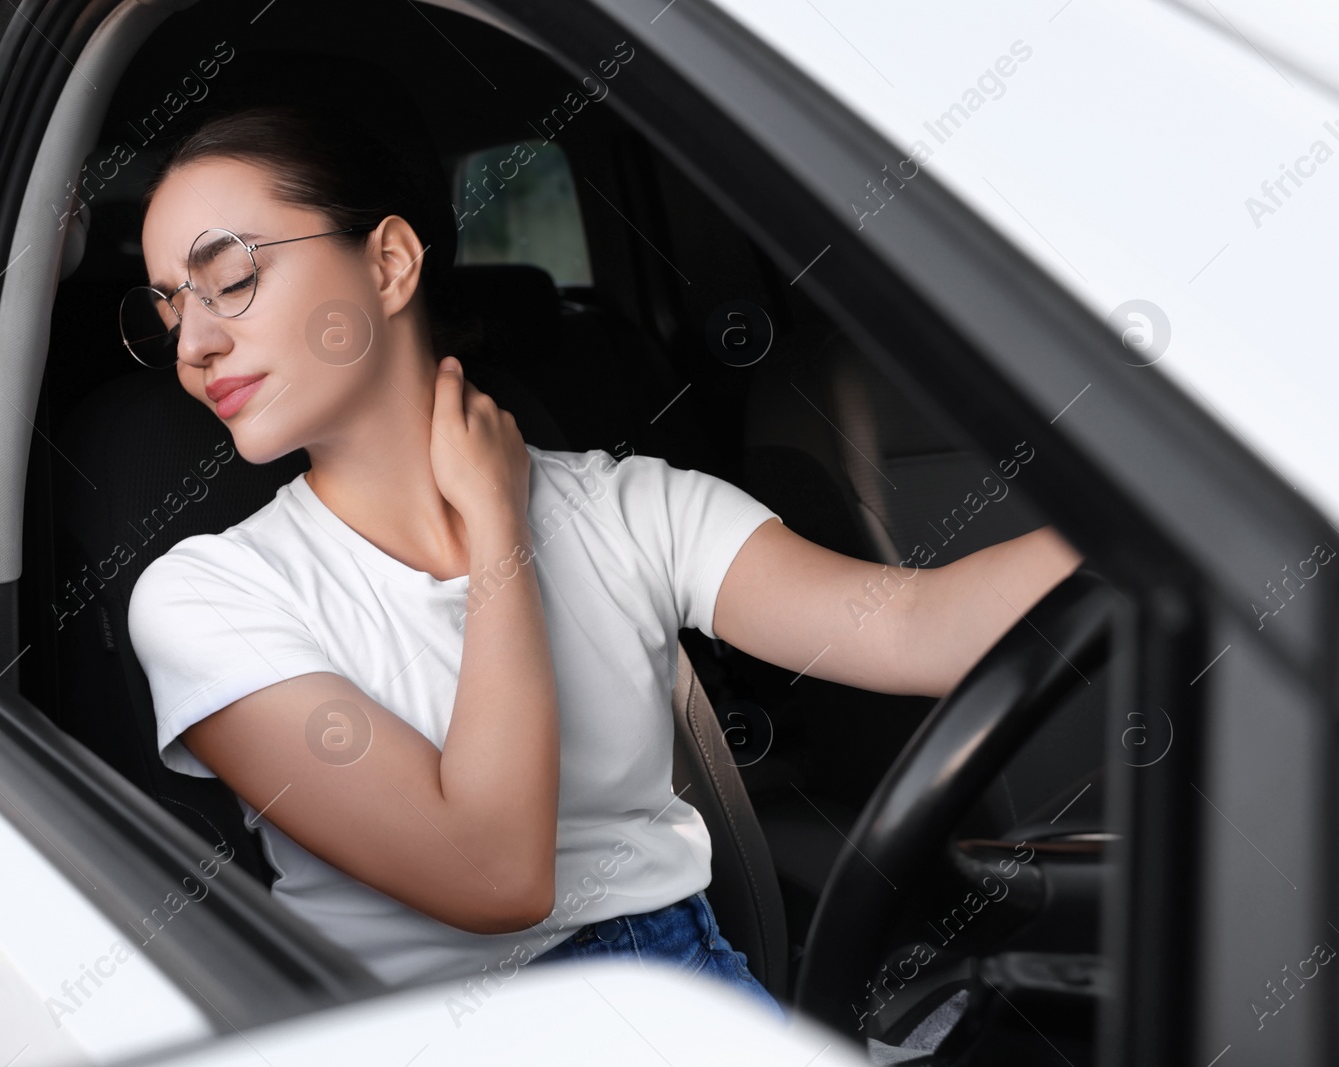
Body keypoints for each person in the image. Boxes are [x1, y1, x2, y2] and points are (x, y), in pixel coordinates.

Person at [123, 102, 1082, 1018]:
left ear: (388, 262)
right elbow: (495, 875)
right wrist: (498, 526)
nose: (196, 344)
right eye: (169, 307)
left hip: (686, 995)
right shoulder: (206, 598)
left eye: (231, 278)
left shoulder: (629, 505)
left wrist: (1178, 520)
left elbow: (922, 626)